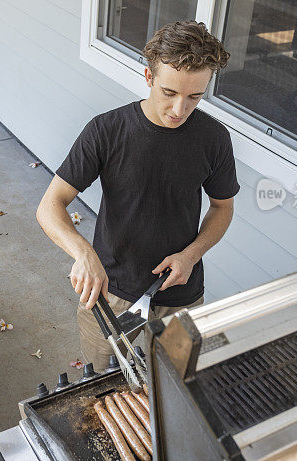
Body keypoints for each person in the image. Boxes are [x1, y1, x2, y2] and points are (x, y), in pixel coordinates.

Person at [36, 21, 239, 367]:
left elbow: (222, 208)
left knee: (174, 387)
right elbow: (49, 206)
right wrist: (83, 253)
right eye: (169, 93)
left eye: (195, 96)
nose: (179, 110)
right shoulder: (106, 130)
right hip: (111, 291)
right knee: (104, 386)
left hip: (182, 293)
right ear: (148, 77)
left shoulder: (214, 138)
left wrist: (191, 255)